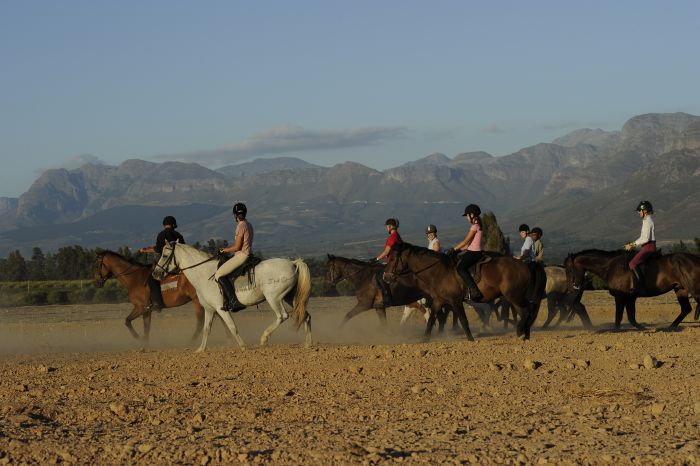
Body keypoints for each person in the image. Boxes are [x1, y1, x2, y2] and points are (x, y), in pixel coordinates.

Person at [139, 215, 185, 311]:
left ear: (164, 225)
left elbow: (158, 249)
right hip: (180, 264)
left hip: (167, 265)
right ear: (173, 224)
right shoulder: (179, 235)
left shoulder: (162, 235)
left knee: (152, 279)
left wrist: (145, 250)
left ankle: (156, 303)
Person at [215, 203, 254, 312]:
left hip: (242, 256)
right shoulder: (248, 224)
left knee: (218, 275)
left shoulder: (240, 226)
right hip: (249, 254)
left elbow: (237, 247)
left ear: (235, 215)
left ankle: (234, 302)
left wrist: (223, 250)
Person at [445, 204, 484, 302]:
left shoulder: (475, 226)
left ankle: (474, 290)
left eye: (467, 215)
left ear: (472, 215)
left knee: (460, 268)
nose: (466, 218)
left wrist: (453, 249)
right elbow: (467, 245)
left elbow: (465, 241)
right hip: (471, 250)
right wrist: (458, 251)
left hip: (474, 253)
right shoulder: (477, 225)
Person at [624, 200, 655, 295]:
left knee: (632, 263)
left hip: (648, 247)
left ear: (644, 211)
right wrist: (632, 244)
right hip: (646, 247)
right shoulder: (647, 220)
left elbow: (645, 238)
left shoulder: (647, 222)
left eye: (639, 211)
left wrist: (632, 245)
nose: (638, 213)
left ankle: (640, 286)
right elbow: (642, 238)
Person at [372, 218, 402, 307]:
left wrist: (376, 259)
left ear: (390, 226)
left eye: (387, 226)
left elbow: (386, 252)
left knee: (379, 276)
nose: (386, 228)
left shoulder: (392, 237)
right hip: (395, 262)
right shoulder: (397, 235)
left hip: (394, 263)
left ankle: (388, 298)